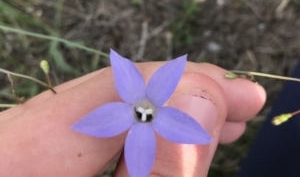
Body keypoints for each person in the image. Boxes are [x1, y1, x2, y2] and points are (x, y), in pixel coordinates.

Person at [0, 61, 266, 176]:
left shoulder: (158, 94)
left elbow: (173, 70)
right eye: (143, 112)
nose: (144, 113)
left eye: (145, 112)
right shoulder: (130, 105)